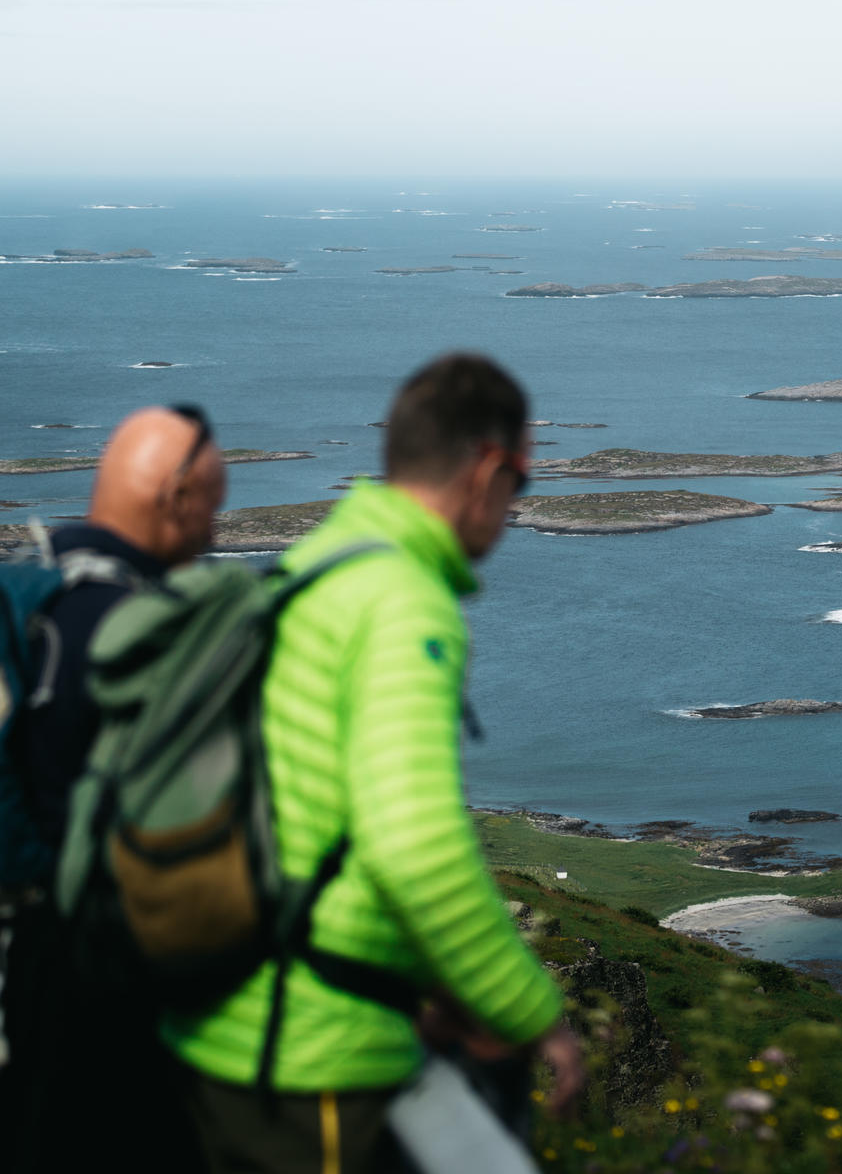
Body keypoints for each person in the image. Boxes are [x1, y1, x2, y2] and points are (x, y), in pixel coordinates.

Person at [164, 353, 583, 1174]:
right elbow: (412, 846)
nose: (514, 511)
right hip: (309, 1059)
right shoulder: (403, 601)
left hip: (221, 1017)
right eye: (521, 486)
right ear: (491, 469)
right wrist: (537, 1015)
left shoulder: (319, 562)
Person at [0, 403, 224, 1173]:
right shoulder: (142, 634)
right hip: (115, 1013)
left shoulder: (15, 599)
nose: (216, 534)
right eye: (212, 508)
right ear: (173, 498)